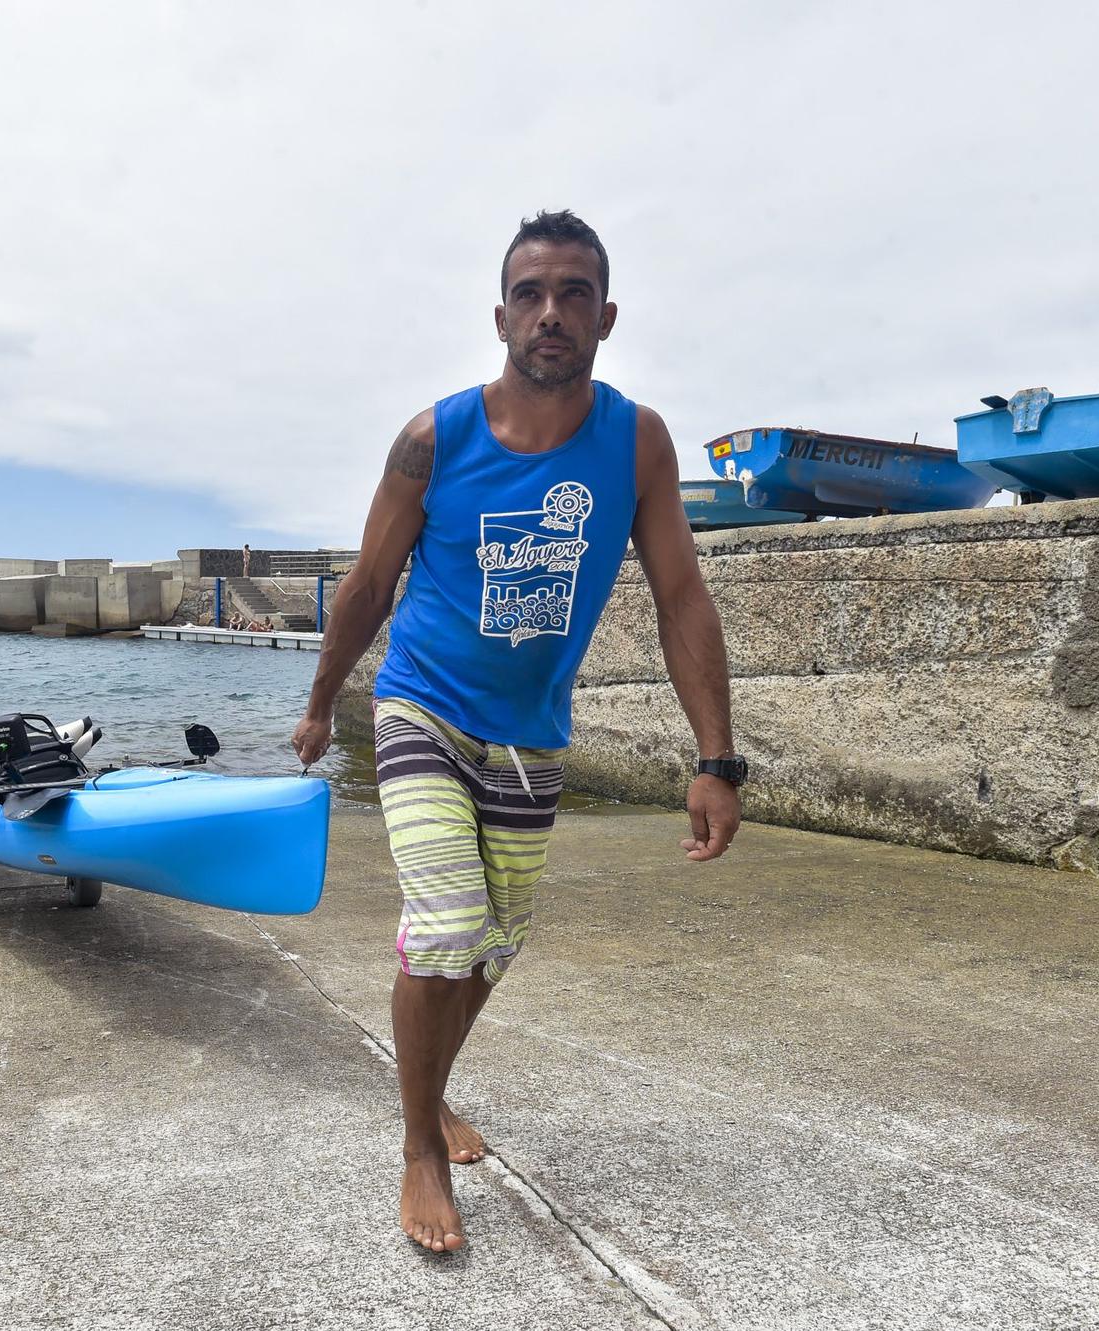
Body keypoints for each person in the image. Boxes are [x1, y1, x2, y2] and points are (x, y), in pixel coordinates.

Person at [291, 210, 744, 1254]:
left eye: (573, 293)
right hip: (422, 703)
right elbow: (367, 583)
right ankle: (416, 1143)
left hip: (530, 732)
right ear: (499, 314)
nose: (551, 312)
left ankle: (433, 1090)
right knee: (446, 918)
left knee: (493, 944)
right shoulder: (432, 437)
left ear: (605, 315)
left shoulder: (634, 440)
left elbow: (682, 597)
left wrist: (714, 759)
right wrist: (323, 699)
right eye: (531, 293)